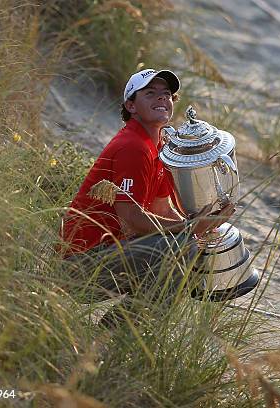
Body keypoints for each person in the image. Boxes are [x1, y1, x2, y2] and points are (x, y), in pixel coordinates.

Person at [59, 68, 234, 314]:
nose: (162, 98)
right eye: (150, 93)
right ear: (130, 106)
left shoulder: (159, 147)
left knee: (190, 244)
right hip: (78, 268)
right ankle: (124, 334)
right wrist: (191, 228)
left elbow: (162, 209)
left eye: (167, 94)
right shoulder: (134, 147)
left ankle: (115, 334)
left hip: (107, 257)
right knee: (180, 246)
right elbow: (131, 220)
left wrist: (204, 227)